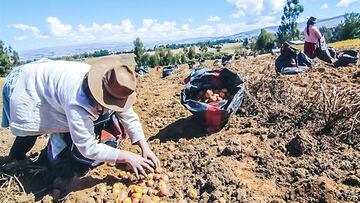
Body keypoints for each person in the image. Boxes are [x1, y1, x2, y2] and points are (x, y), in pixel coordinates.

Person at [1, 58, 160, 179]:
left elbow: (129, 116)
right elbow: (87, 147)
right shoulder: (78, 100)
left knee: (97, 120)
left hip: (49, 82)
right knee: (31, 130)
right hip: (28, 84)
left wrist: (144, 147)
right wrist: (127, 156)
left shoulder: (114, 85)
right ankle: (15, 160)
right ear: (100, 95)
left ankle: (56, 149)